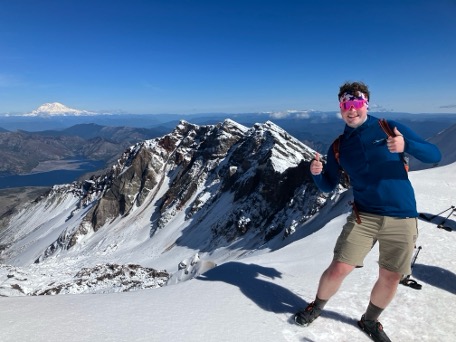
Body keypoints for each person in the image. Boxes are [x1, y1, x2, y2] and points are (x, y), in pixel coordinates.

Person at [294, 81, 441, 342]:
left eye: (356, 103)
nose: (351, 110)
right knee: (339, 267)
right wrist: (316, 174)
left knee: (391, 275)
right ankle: (316, 307)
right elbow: (328, 185)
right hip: (364, 216)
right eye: (346, 105)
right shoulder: (339, 146)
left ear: (366, 104)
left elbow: (434, 155)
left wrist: (406, 145)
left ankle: (370, 321)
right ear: (340, 108)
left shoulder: (389, 128)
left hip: (402, 215)